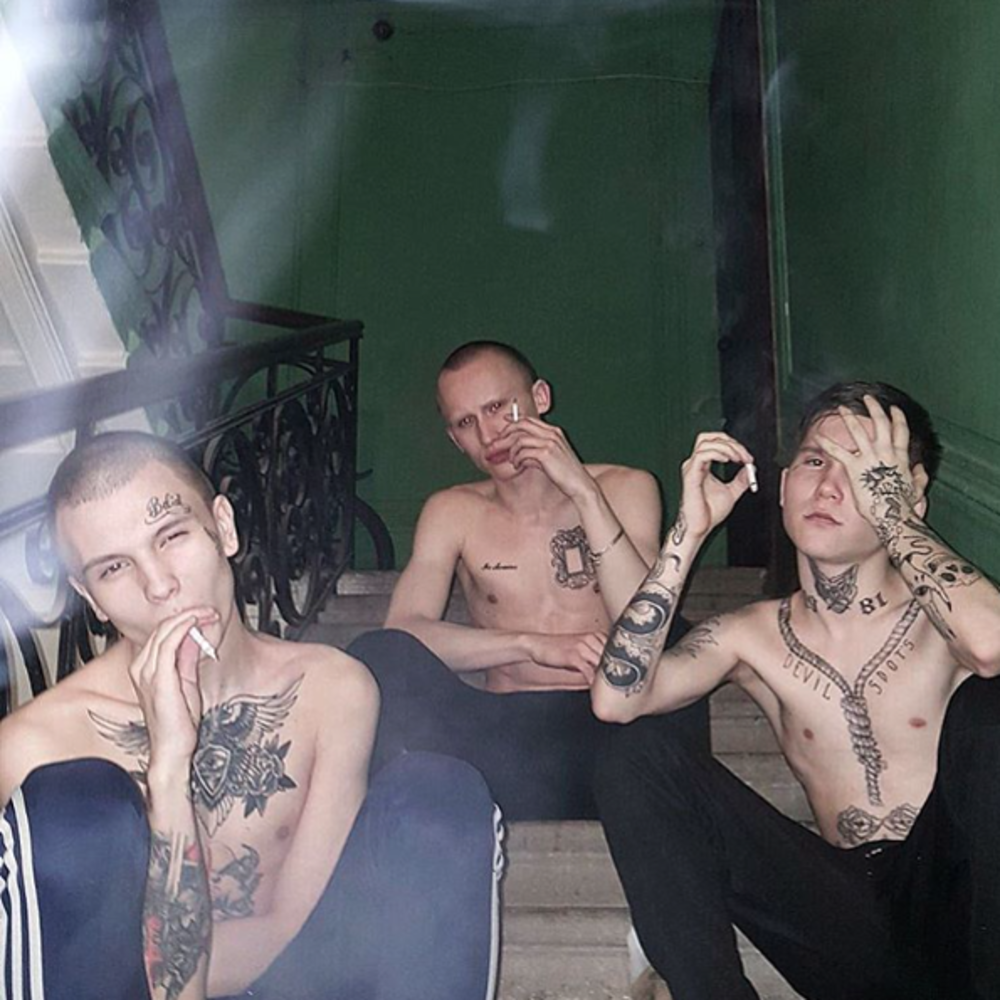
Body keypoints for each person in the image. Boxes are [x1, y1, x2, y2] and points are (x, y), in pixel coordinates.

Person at [0, 431, 501, 1000]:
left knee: (439, 792)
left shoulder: (331, 691)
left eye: (173, 536)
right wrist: (168, 768)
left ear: (224, 527)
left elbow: (294, 929)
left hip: (291, 980)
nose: (160, 585)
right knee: (74, 804)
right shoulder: (32, 746)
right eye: (114, 568)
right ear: (89, 596)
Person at [591, 381, 1000, 1000]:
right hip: (846, 919)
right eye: (814, 461)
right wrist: (689, 531)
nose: (829, 486)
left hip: (963, 909)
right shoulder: (750, 634)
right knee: (634, 756)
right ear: (783, 487)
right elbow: (616, 701)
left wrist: (895, 515)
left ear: (907, 491)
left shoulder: (950, 620)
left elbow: (992, 647)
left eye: (861, 468)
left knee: (989, 705)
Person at [349, 341, 706, 821]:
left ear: (540, 397)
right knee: (376, 654)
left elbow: (646, 622)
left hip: (612, 734)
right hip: (505, 742)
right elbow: (404, 632)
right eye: (466, 423)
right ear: (455, 439)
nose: (488, 434)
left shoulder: (626, 488)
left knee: (680, 635)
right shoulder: (452, 511)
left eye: (498, 407)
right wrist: (531, 645)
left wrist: (583, 492)